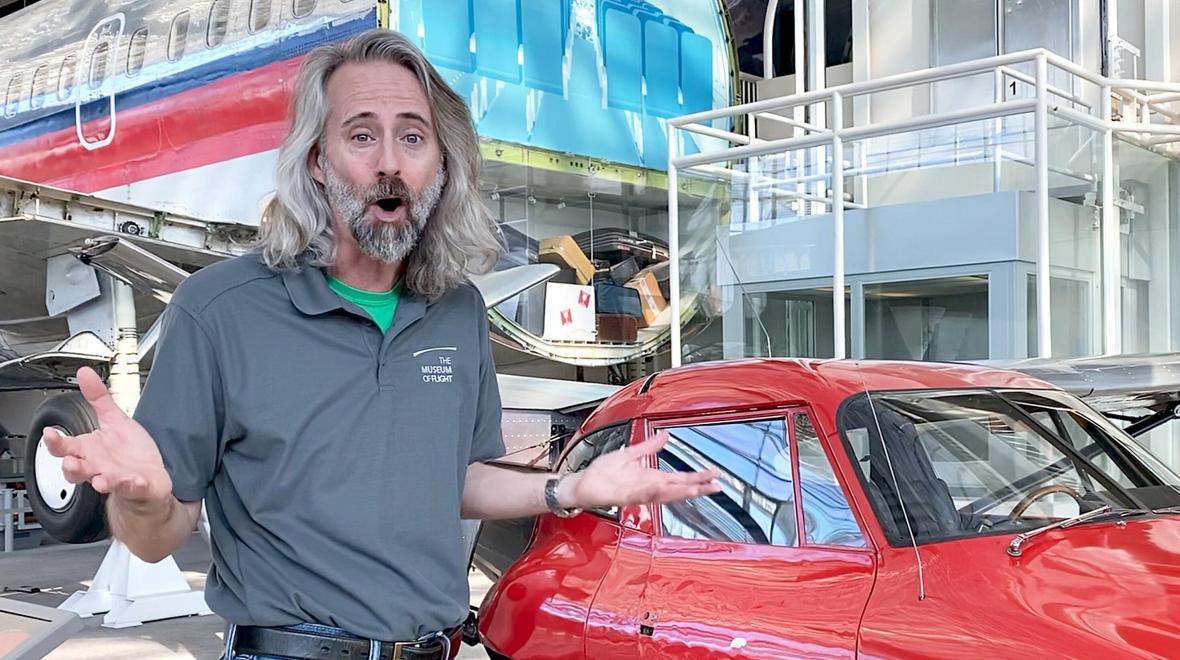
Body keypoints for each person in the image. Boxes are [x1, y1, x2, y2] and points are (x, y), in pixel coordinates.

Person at [41, 28, 719, 660]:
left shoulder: (456, 310)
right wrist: (141, 497)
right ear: (317, 161)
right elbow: (155, 538)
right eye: (361, 136)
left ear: (442, 166)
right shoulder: (220, 309)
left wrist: (572, 486)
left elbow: (457, 479)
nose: (389, 163)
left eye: (413, 138)